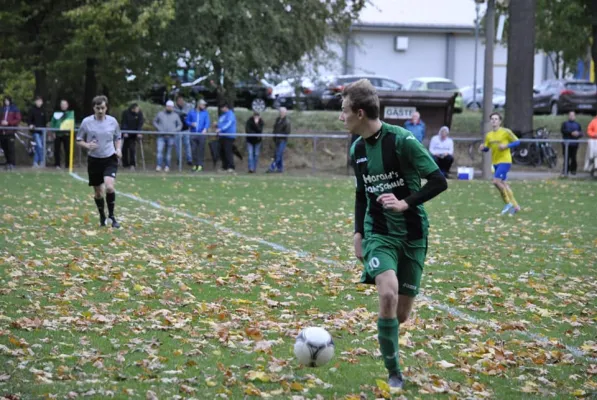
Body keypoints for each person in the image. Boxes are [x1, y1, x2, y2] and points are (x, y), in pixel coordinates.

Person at [344, 79, 447, 389]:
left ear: (360, 113)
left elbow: (438, 181)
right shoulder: (358, 149)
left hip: (413, 235)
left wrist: (405, 203)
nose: (341, 117)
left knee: (400, 314)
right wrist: (358, 232)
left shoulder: (402, 141)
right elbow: (362, 195)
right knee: (386, 294)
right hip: (379, 233)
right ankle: (394, 373)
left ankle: (389, 342)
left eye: (344, 111)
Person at [76, 95, 122, 228]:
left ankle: (112, 217)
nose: (100, 111)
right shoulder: (86, 122)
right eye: (98, 108)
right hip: (94, 160)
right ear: (94, 108)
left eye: (102, 108)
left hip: (109, 158)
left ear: (106, 107)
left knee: (109, 186)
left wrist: (118, 149)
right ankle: (102, 215)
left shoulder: (113, 122)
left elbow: (118, 137)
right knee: (98, 193)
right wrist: (87, 145)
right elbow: (79, 139)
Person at [478, 112, 521, 215]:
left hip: (505, 161)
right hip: (496, 162)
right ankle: (516, 206)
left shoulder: (506, 132)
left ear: (500, 121)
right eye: (492, 119)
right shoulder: (489, 135)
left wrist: (506, 146)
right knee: (504, 184)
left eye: (496, 119)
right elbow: (487, 148)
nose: (494, 121)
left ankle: (508, 203)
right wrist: (483, 148)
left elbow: (517, 142)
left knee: (496, 182)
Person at [153, 100, 182, 172]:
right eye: (168, 106)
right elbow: (154, 121)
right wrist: (159, 129)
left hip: (171, 136)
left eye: (171, 107)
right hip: (161, 136)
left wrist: (175, 130)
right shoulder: (160, 114)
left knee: (168, 153)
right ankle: (159, 166)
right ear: (166, 106)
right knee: (159, 151)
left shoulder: (175, 115)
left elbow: (180, 125)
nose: (169, 108)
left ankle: (167, 166)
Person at [185, 99, 210, 172]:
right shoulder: (191, 112)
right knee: (193, 150)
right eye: (203, 105)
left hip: (201, 134)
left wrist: (205, 129)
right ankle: (194, 165)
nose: (204, 106)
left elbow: (207, 122)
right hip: (193, 133)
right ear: (199, 105)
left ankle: (200, 165)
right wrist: (191, 124)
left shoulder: (205, 113)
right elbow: (187, 121)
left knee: (201, 150)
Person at [120, 103, 144, 170]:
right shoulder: (125, 113)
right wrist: (125, 131)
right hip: (126, 133)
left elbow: (140, 123)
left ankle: (132, 164)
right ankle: (125, 164)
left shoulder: (139, 113)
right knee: (124, 149)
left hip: (134, 134)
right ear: (132, 109)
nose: (138, 110)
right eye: (136, 109)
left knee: (132, 148)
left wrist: (139, 132)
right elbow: (124, 122)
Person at [51, 100, 74, 169]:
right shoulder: (56, 114)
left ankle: (68, 164)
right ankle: (57, 164)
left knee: (67, 149)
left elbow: (72, 124)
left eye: (65, 104)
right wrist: (53, 132)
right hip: (58, 134)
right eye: (62, 104)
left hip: (66, 134)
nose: (63, 106)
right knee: (57, 150)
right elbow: (53, 123)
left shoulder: (70, 114)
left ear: (67, 105)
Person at [1, 96, 22, 170]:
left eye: (7, 100)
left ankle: (12, 163)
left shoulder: (14, 109)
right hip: (2, 131)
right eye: (5, 100)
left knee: (11, 148)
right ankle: (8, 162)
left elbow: (18, 119)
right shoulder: (2, 109)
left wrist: (9, 123)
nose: (6, 102)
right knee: (5, 148)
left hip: (10, 131)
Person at [268, 107, 291, 173]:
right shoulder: (277, 120)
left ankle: (272, 167)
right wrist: (274, 135)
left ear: (285, 113)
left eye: (283, 112)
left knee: (278, 154)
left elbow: (287, 132)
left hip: (282, 140)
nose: (281, 113)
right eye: (280, 112)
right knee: (279, 155)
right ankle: (280, 168)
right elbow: (274, 129)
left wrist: (279, 134)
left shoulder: (287, 121)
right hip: (277, 140)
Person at [216, 102, 237, 172]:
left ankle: (231, 166)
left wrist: (221, 129)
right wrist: (217, 125)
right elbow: (221, 124)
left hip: (229, 136)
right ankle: (224, 166)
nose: (221, 109)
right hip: (222, 136)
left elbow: (229, 123)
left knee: (228, 151)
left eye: (222, 108)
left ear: (225, 107)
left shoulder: (230, 114)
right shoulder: (222, 115)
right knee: (222, 152)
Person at [28, 96, 48, 168]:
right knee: (39, 146)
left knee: (38, 147)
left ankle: (35, 162)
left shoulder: (43, 110)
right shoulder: (32, 110)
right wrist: (31, 125)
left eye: (40, 101)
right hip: (35, 132)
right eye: (37, 101)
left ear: (42, 102)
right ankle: (42, 161)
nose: (39, 103)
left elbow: (45, 121)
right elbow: (29, 120)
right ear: (35, 102)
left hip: (42, 132)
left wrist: (46, 130)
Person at [560, 111, 582, 176]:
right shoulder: (565, 123)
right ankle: (565, 170)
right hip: (566, 144)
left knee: (573, 158)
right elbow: (563, 131)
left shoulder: (577, 124)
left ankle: (573, 170)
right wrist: (571, 133)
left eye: (573, 115)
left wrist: (578, 134)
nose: (572, 116)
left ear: (575, 116)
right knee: (566, 157)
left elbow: (581, 133)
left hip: (574, 144)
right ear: (568, 116)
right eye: (570, 115)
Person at [174, 95, 193, 166]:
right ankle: (179, 159)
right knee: (178, 146)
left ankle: (189, 159)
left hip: (186, 129)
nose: (181, 102)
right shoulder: (174, 108)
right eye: (179, 101)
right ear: (177, 102)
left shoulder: (187, 107)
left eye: (182, 100)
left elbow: (188, 113)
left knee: (187, 145)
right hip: (177, 130)